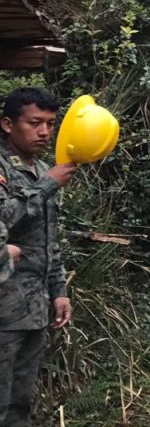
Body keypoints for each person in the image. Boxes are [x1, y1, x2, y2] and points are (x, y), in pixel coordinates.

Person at [0, 88, 77, 427]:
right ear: (7, 124)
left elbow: (49, 238)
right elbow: (4, 217)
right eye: (35, 123)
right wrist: (47, 185)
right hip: (3, 312)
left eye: (50, 124)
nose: (45, 132)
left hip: (34, 308)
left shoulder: (44, 168)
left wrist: (58, 289)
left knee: (20, 403)